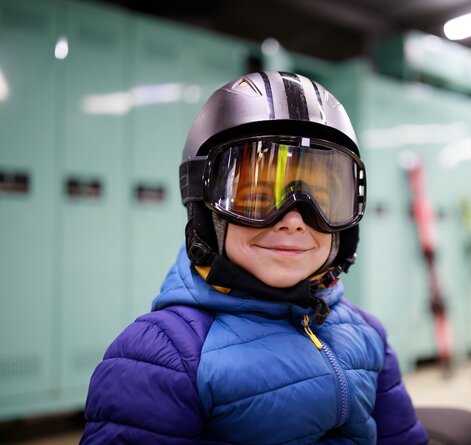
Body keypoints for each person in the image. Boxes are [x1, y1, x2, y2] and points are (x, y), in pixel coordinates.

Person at [80, 71, 429, 444]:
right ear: (204, 208)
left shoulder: (365, 332)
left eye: (322, 201)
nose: (294, 221)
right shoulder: (162, 354)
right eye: (258, 198)